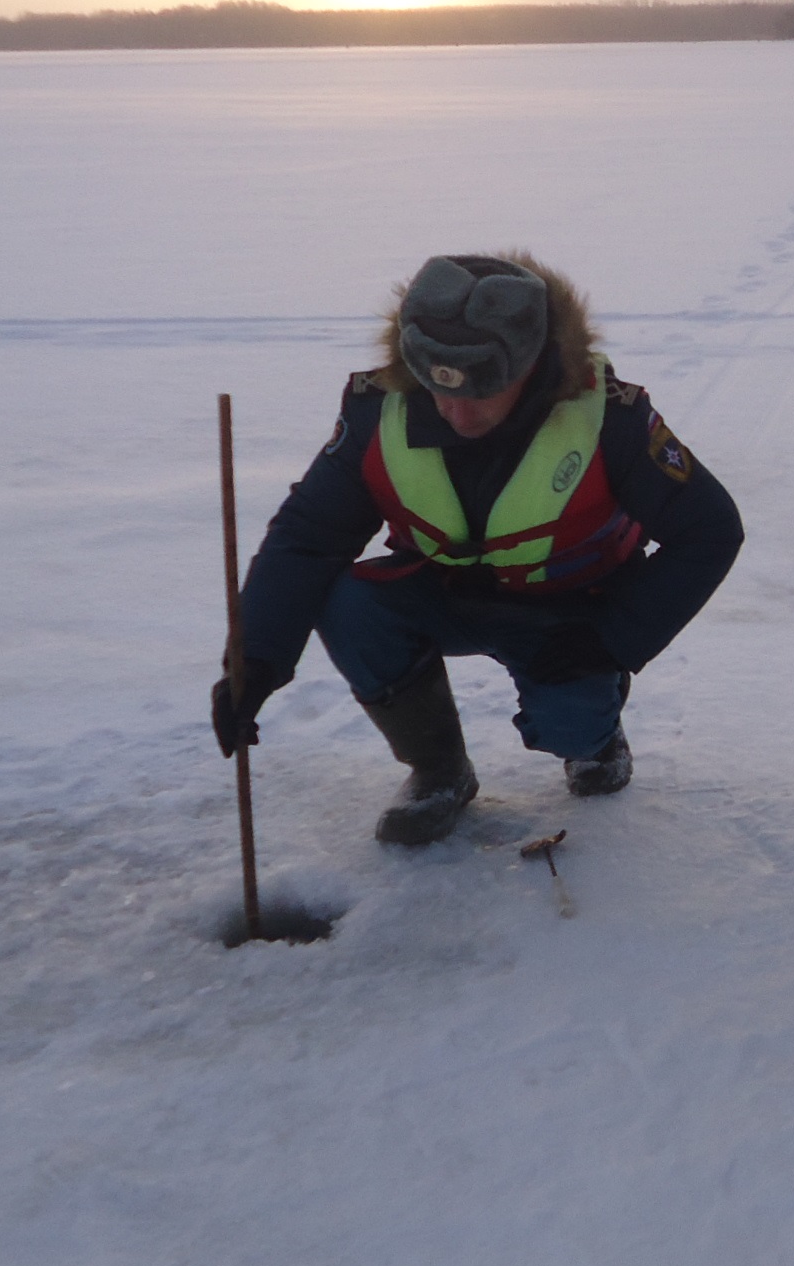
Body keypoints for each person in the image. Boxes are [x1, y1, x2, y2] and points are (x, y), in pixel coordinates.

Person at [211, 253, 744, 845]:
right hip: (445, 595)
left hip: (573, 612)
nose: (457, 413)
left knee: (573, 722)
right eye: (440, 390)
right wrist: (254, 658)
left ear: (534, 364)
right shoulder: (377, 411)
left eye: (483, 392)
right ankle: (440, 771)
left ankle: (595, 738)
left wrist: (614, 638)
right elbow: (308, 538)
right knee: (346, 600)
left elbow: (711, 529)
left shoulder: (608, 417)